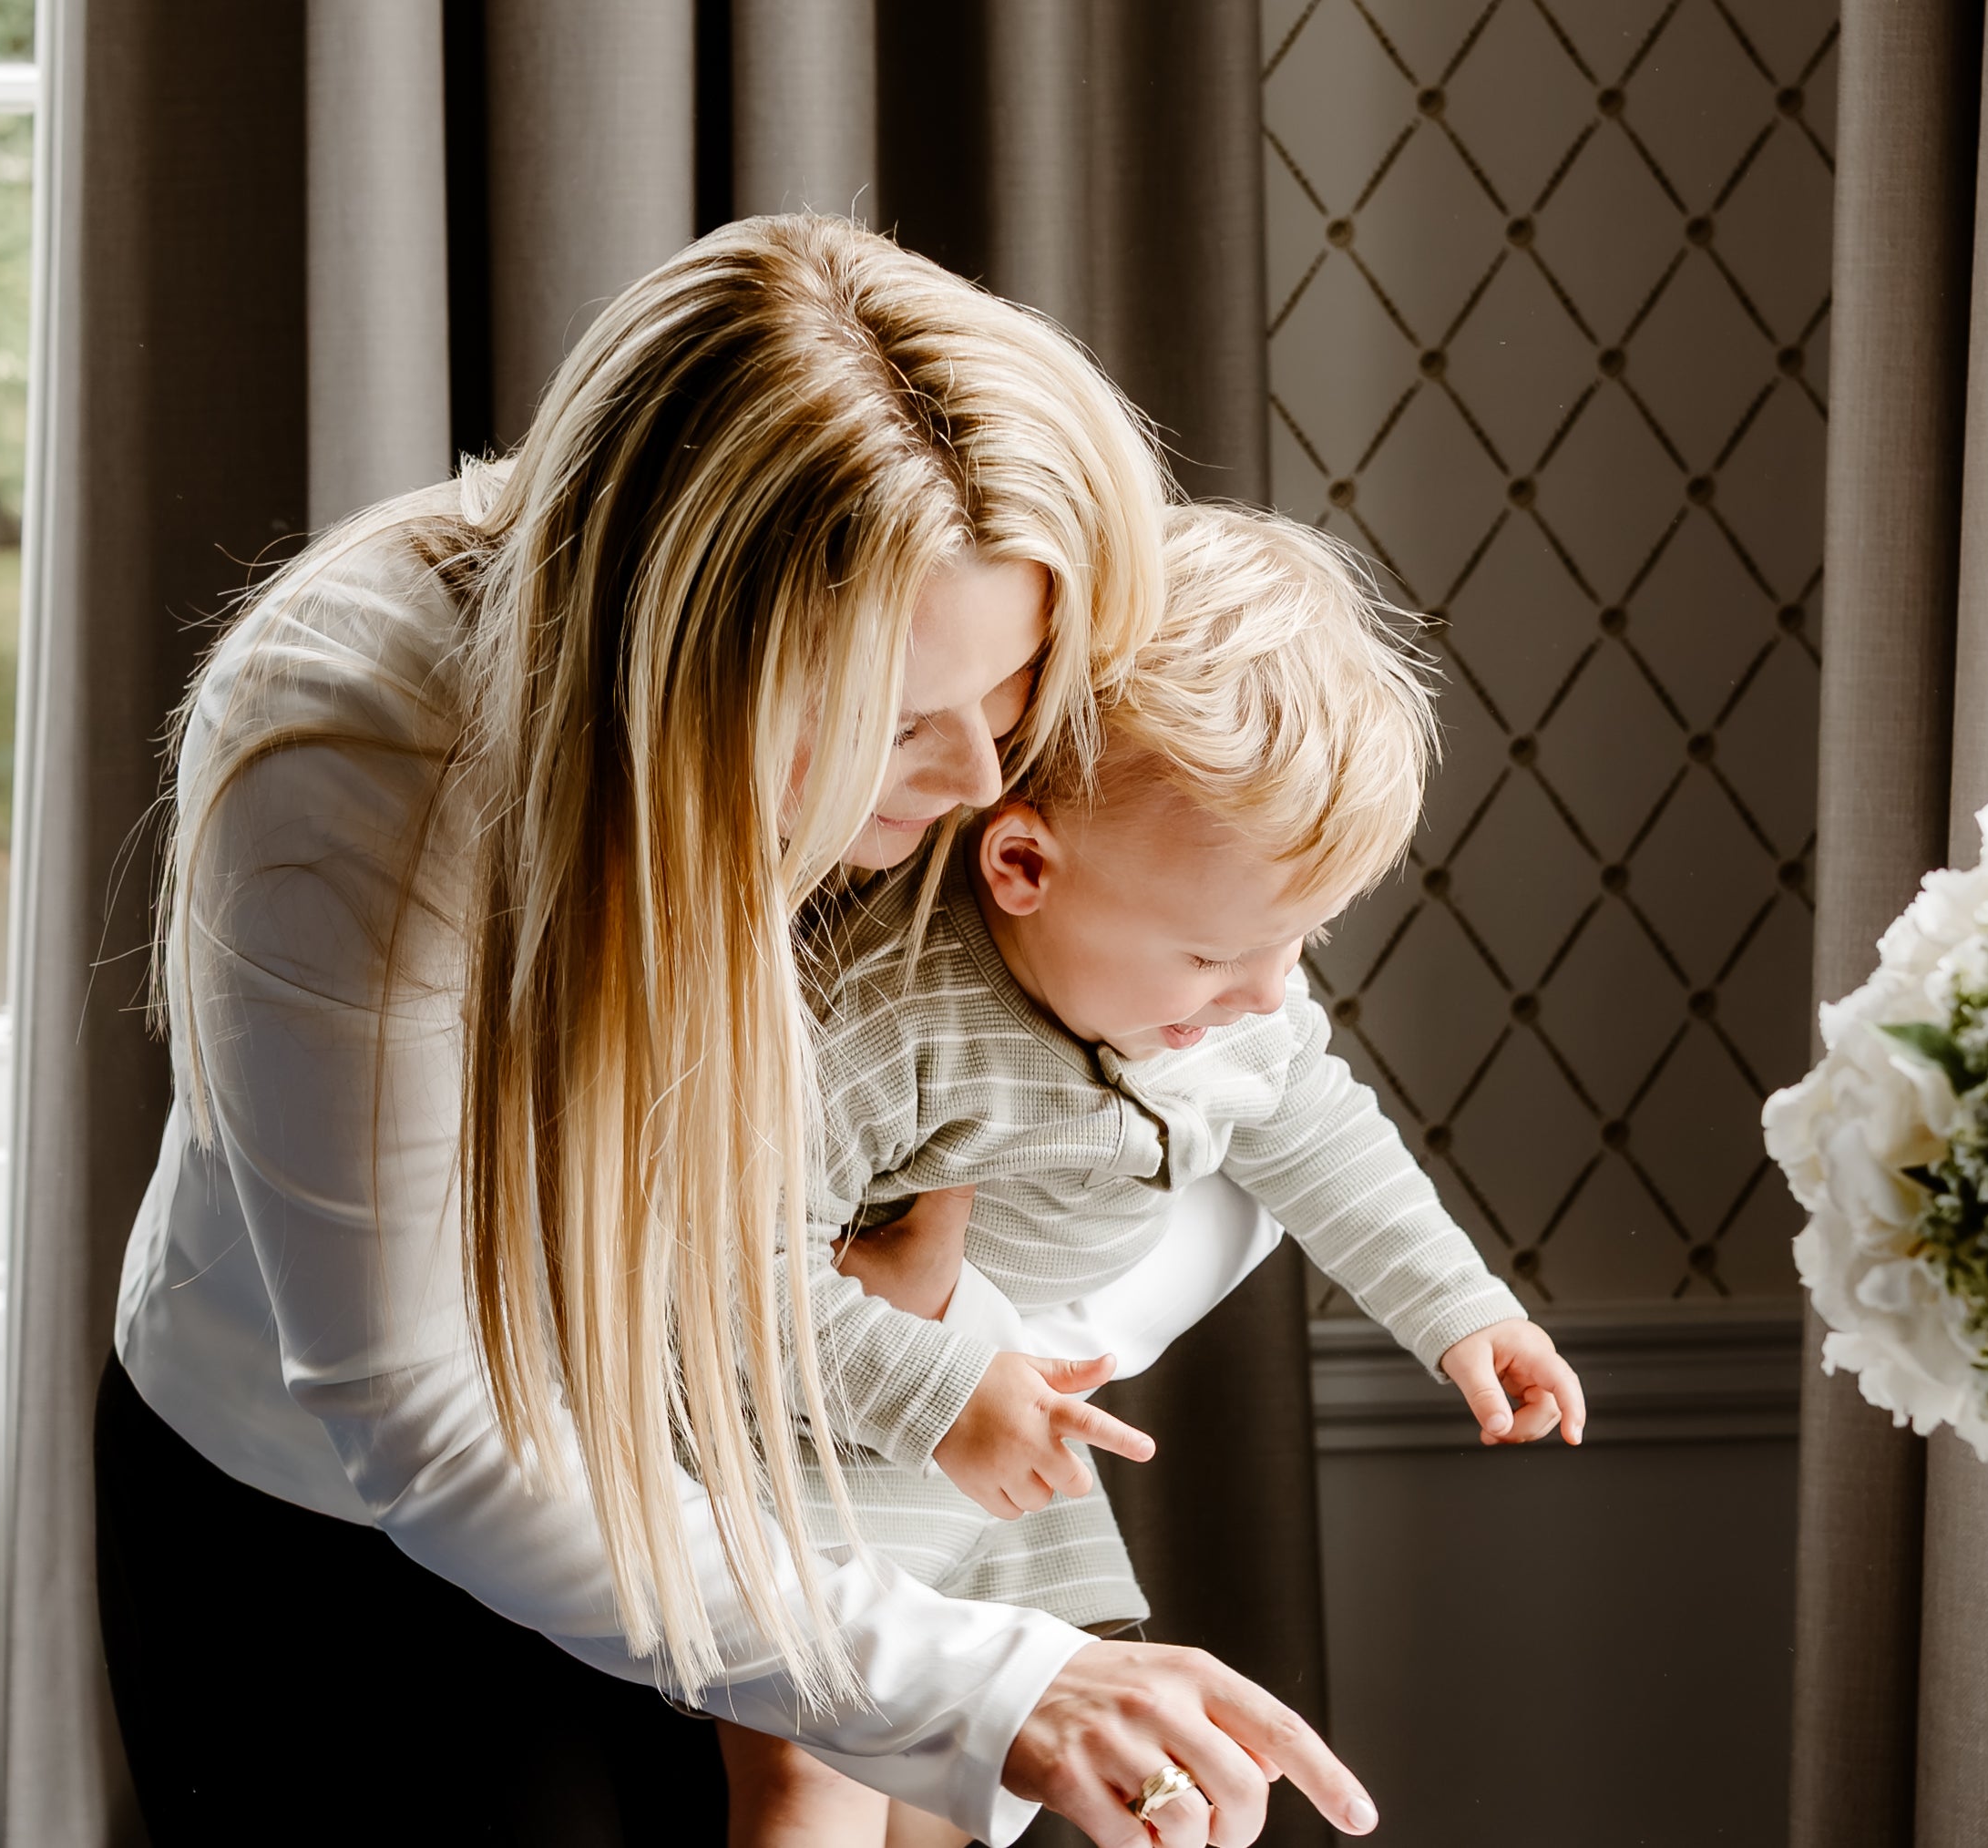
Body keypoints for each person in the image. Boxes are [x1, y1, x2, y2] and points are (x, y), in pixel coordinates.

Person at [91, 214, 1382, 1847]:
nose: (985, 784)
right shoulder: (357, 768)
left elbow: (1240, 1056)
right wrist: (993, 1685)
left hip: (757, 1494)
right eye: (900, 727)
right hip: (335, 1547)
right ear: (686, 676)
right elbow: (421, 1414)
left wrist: (1021, 1334)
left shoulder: (966, 683)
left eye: (1013, 699)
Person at [718, 502, 1593, 1847]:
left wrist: (1460, 1312)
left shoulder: (1222, 1008)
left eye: (1294, 947)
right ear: (1020, 863)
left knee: (966, 1768)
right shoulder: (881, 1022)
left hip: (1005, 1429)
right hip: (837, 1434)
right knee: (816, 1765)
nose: (1262, 998)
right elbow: (727, 1283)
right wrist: (948, 1391)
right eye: (1211, 957)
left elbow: (1322, 1131)